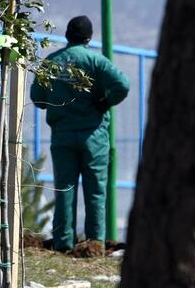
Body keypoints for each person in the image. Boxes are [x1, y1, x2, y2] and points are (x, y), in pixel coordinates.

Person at [30, 16, 130, 252]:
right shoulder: (95, 60)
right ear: (89, 37)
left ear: (67, 36)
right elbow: (122, 85)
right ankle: (94, 243)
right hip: (93, 136)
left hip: (62, 136)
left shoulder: (52, 62)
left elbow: (37, 98)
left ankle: (64, 242)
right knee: (96, 189)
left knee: (65, 188)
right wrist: (104, 102)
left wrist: (56, 102)